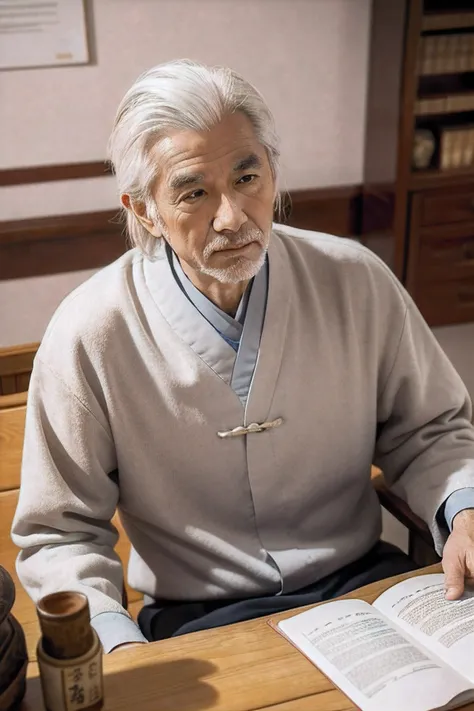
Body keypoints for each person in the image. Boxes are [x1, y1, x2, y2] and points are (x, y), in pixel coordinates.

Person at [12, 60, 474, 654]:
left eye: (247, 178)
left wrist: (463, 510)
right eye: (194, 192)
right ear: (142, 210)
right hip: (198, 619)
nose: (231, 217)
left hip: (365, 589)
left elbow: (432, 430)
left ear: (273, 173)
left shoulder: (355, 280)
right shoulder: (89, 331)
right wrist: (118, 648)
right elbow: (61, 533)